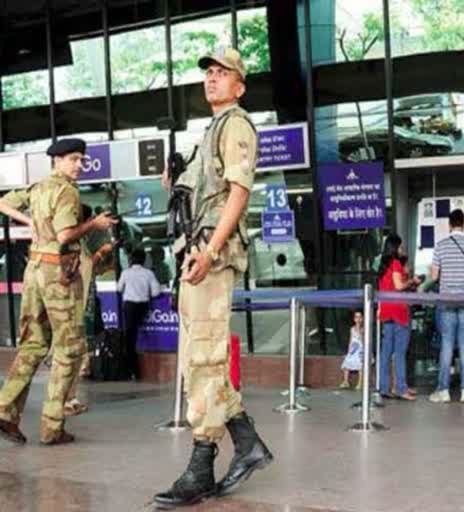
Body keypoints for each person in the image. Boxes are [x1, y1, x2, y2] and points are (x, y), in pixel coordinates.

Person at [154, 48, 273, 507]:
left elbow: (239, 193)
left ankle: (201, 466)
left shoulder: (236, 124)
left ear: (240, 86)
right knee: (203, 360)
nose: (212, 79)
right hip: (195, 255)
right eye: (208, 73)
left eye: (223, 74)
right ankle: (247, 444)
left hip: (209, 256)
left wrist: (211, 250)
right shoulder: (212, 131)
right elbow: (207, 191)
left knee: (204, 361)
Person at [0, 138, 117, 446]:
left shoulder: (38, 187)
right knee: (69, 348)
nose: (79, 165)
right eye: (73, 159)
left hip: (35, 268)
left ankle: (5, 410)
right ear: (58, 161)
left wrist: (30, 222)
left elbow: (2, 202)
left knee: (33, 343)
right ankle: (53, 426)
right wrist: (94, 223)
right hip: (59, 273)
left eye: (81, 160)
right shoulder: (66, 190)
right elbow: (66, 235)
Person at [64, 204, 116, 416]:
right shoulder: (72, 246)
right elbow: (85, 267)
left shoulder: (80, 244)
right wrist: (100, 253)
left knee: (77, 350)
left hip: (82, 306)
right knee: (71, 353)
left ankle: (71, 397)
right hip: (74, 308)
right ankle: (66, 400)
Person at [429, 209, 464, 404]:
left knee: (446, 345)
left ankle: (443, 390)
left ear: (449, 224)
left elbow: (434, 277)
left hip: (446, 301)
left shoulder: (440, 246)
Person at [377, 234, 420, 401]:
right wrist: (411, 281)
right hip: (399, 311)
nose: (403, 250)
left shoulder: (383, 265)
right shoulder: (395, 263)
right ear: (395, 248)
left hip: (386, 310)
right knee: (400, 351)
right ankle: (401, 388)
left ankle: (385, 387)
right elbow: (398, 286)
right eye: (401, 247)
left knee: (386, 351)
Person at [117, 247, 161, 380]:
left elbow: (119, 288)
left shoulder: (125, 273)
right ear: (144, 260)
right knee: (135, 336)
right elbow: (155, 292)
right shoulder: (149, 274)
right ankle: (135, 370)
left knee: (130, 339)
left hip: (129, 307)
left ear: (130, 260)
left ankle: (132, 370)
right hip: (143, 307)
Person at [340, 311, 365, 390]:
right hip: (353, 349)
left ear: (362, 319)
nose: (358, 319)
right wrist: (349, 350)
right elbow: (351, 340)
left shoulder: (363, 329)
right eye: (356, 317)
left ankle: (360, 383)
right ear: (354, 319)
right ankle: (345, 381)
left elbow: (363, 339)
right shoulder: (352, 329)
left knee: (360, 365)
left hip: (360, 348)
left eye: (359, 317)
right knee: (346, 363)